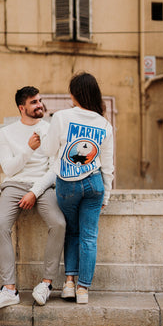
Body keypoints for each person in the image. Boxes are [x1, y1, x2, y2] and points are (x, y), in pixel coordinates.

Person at [0, 86, 65, 310]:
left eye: (39, 101)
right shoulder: (6, 133)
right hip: (14, 184)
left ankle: (46, 284)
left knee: (58, 223)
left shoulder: (50, 129)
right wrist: (28, 149)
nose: (39, 105)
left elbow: (53, 168)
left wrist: (34, 192)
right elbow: (8, 168)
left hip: (43, 186)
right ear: (22, 108)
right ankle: (9, 289)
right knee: (0, 224)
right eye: (34, 102)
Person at [39, 72, 114, 304]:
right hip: (94, 183)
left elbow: (49, 150)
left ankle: (69, 283)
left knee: (72, 232)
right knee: (89, 237)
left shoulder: (61, 117)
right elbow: (109, 165)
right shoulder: (105, 124)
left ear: (74, 94)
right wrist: (107, 194)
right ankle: (84, 289)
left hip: (68, 184)